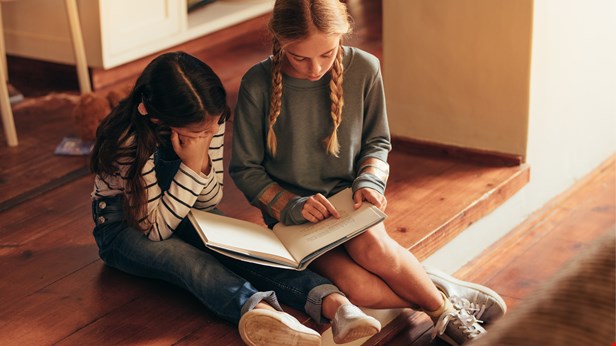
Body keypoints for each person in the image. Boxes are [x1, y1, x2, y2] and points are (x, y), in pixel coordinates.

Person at [229, 1, 507, 345]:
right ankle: (440, 293)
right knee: (357, 288)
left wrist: (369, 182)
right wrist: (292, 205)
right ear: (278, 39)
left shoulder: (365, 68)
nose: (315, 68)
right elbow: (245, 168)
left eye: (326, 54)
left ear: (343, 34)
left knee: (372, 252)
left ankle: (444, 316)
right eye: (299, 57)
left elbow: (377, 141)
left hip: (350, 203)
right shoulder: (257, 83)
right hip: (292, 218)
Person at [89, 51, 382, 346]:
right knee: (190, 262)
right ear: (158, 118)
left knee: (247, 251)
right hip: (124, 226)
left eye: (213, 127)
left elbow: (209, 199)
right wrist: (192, 165)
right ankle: (264, 314)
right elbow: (155, 230)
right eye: (200, 132)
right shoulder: (127, 141)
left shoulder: (208, 119)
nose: (210, 133)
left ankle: (336, 305)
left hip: (183, 207)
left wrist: (198, 157)